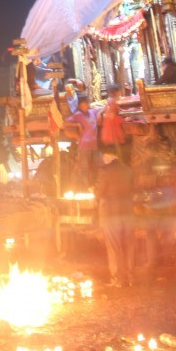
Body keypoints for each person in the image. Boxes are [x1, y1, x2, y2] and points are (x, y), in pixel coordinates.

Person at [94, 145, 138, 288]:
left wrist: (94, 190)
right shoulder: (128, 170)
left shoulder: (104, 171)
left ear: (107, 156)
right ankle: (131, 278)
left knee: (114, 247)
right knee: (129, 245)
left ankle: (118, 279)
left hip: (111, 214)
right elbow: (132, 190)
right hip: (127, 212)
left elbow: (99, 192)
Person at [64, 96, 100, 189]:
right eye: (84, 104)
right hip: (84, 146)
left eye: (87, 104)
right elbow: (66, 123)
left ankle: (92, 185)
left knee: (95, 166)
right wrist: (78, 125)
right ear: (80, 106)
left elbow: (102, 110)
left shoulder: (93, 112)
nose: (86, 106)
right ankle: (85, 186)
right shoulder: (78, 115)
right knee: (85, 168)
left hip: (94, 145)